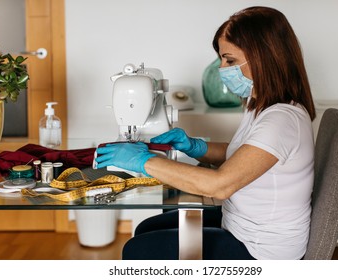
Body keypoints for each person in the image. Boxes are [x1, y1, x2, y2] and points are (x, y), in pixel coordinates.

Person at [95, 6, 316, 260]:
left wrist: (144, 162)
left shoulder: (281, 121)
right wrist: (193, 146)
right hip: (242, 226)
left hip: (262, 251)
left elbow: (219, 186)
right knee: (147, 229)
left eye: (230, 60)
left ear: (262, 57)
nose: (222, 68)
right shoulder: (263, 106)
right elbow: (242, 156)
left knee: (136, 250)